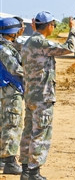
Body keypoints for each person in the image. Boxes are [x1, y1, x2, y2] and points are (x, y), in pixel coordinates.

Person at [19, 11, 75, 180]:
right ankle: (33, 172)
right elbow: (69, 48)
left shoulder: (29, 42)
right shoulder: (41, 43)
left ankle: (25, 170)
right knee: (40, 133)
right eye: (54, 25)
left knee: (28, 132)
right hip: (42, 97)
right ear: (50, 26)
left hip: (30, 95)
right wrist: (73, 30)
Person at [0, 17, 24, 175]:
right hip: (11, 90)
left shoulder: (7, 46)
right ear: (12, 32)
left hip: (9, 89)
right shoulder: (5, 49)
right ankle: (9, 161)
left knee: (7, 123)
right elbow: (16, 69)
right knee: (12, 124)